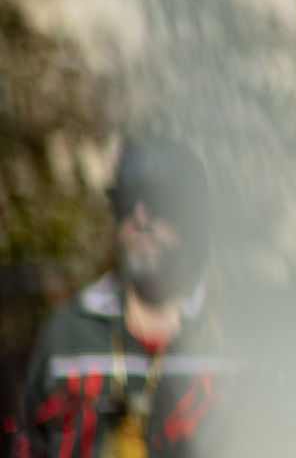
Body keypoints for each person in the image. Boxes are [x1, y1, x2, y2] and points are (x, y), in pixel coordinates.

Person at [16, 138, 234, 456]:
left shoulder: (238, 336)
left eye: (159, 202)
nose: (141, 218)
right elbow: (26, 445)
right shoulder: (68, 334)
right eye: (127, 203)